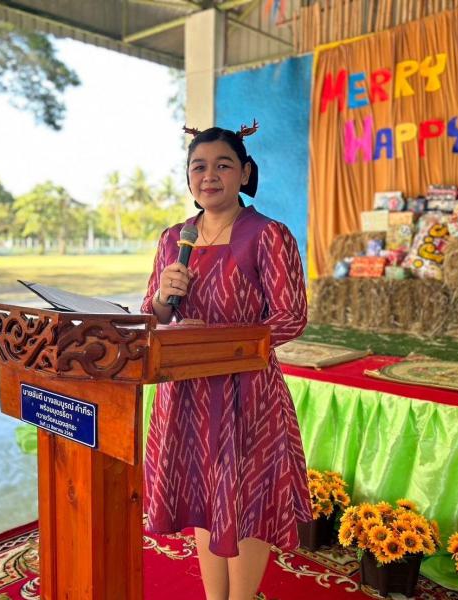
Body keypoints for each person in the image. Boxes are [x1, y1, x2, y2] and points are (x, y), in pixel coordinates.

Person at [140, 121, 312, 600]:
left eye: (223, 165)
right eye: (199, 167)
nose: (209, 176)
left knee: (246, 500)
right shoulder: (173, 238)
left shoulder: (269, 235)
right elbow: (152, 316)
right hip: (187, 391)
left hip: (247, 391)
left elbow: (291, 317)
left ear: (245, 173)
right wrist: (162, 298)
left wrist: (217, 341)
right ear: (188, 176)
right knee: (203, 494)